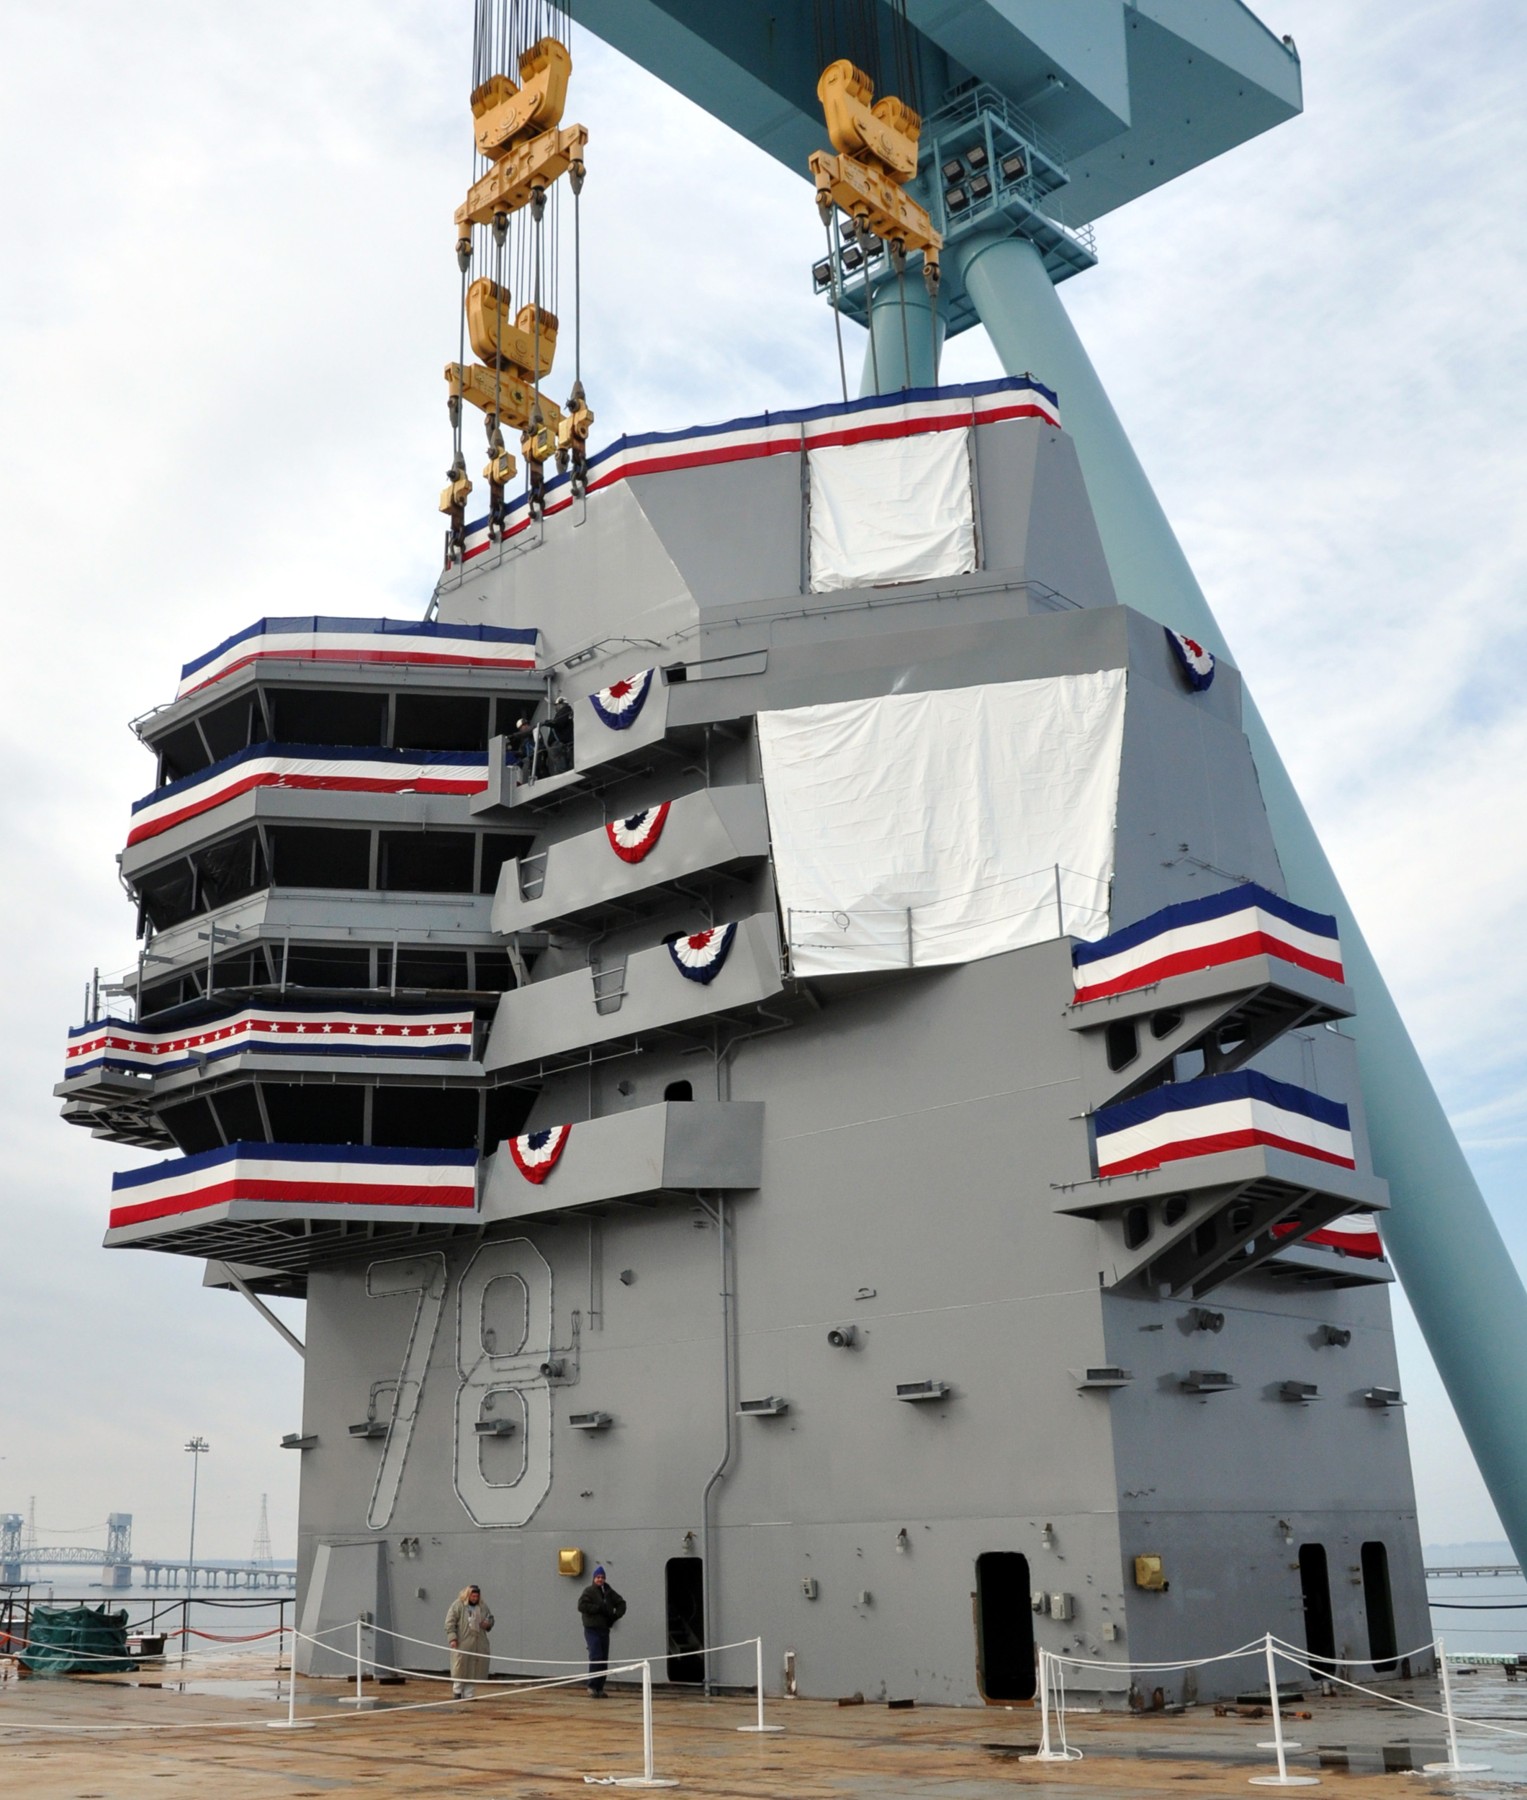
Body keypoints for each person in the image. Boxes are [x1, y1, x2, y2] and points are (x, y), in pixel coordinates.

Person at [577, 1565, 626, 1696]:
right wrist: (597, 1608)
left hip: (604, 1629)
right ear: (594, 1578)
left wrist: (615, 1616)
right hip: (591, 1629)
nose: (600, 1579)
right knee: (596, 1656)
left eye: (602, 1577)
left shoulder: (609, 1592)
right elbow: (581, 1606)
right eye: (598, 1577)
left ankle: (600, 1687)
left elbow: (621, 1603)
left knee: (603, 1658)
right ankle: (592, 1686)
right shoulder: (589, 1591)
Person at [444, 1583, 494, 1699]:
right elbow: (449, 1622)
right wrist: (452, 1638)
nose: (475, 1598)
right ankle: (457, 1691)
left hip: (478, 1642)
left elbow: (490, 1618)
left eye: (477, 1596)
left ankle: (469, 1693)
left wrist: (488, 1623)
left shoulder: (483, 1606)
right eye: (473, 1596)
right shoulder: (458, 1605)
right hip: (462, 1641)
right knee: (460, 1667)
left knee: (474, 1668)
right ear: (468, 1595)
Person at [547, 696, 574, 773]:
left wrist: (551, 723)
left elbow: (559, 723)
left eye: (556, 705)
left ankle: (562, 773)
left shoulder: (564, 711)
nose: (555, 707)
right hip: (563, 742)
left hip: (560, 743)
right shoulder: (567, 712)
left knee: (559, 762)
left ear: (561, 704)